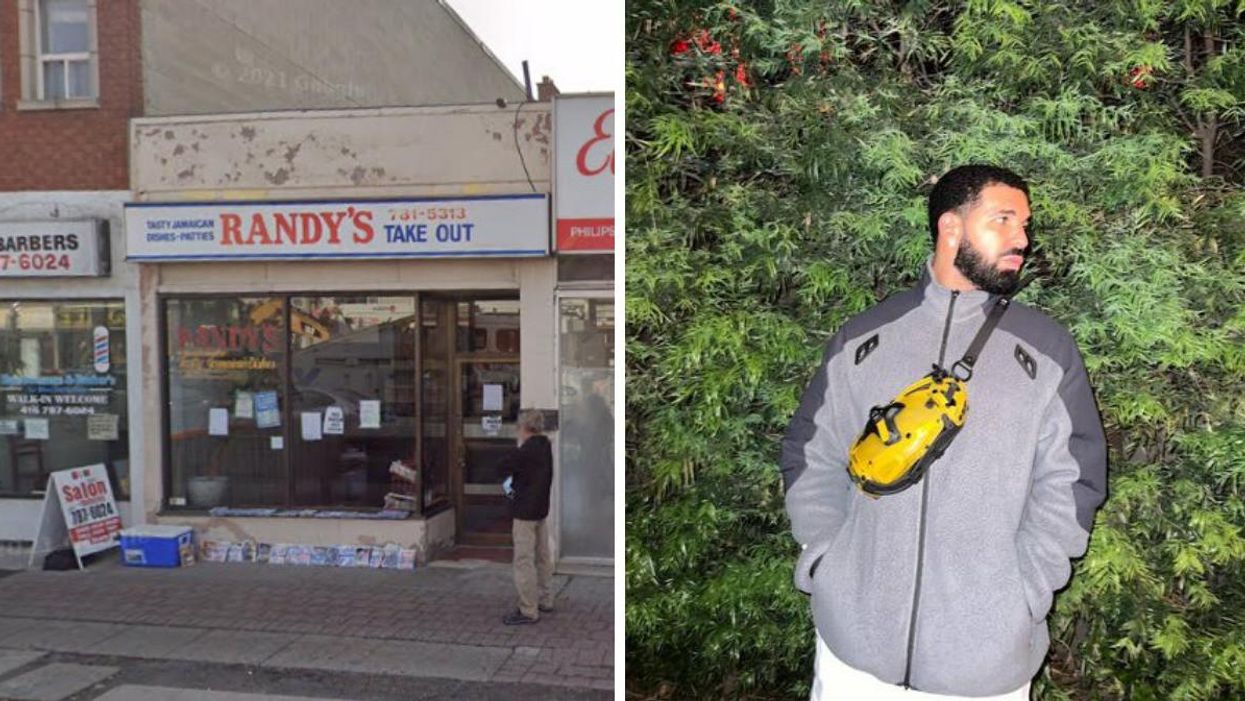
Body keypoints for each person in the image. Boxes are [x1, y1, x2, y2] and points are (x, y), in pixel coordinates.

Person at [780, 164, 1107, 700]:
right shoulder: (864, 339)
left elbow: (1073, 485)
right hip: (853, 655)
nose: (1022, 238)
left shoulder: (1047, 351)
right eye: (1003, 220)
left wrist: (1022, 593)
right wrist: (826, 559)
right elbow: (810, 455)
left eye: (1024, 224)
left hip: (983, 666)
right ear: (951, 228)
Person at [501, 408, 555, 625]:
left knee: (524, 560)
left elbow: (502, 466)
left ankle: (528, 609)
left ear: (523, 428)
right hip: (541, 508)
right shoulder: (545, 447)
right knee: (543, 556)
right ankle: (545, 598)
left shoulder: (526, 451)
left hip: (524, 511)